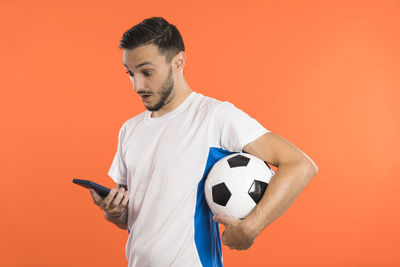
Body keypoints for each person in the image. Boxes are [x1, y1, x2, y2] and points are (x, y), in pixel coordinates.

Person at [89, 16, 318, 267]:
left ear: (178, 62)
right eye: (130, 73)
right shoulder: (130, 130)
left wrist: (253, 225)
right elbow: (134, 217)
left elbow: (299, 165)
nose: (137, 85)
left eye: (147, 72)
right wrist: (114, 212)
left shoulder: (214, 116)